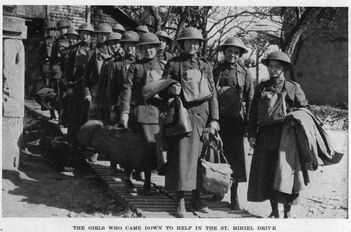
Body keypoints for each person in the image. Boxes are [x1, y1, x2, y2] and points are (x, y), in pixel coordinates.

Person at [160, 27, 219, 217]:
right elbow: (161, 89)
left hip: (202, 117)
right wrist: (170, 90)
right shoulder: (173, 64)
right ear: (182, 44)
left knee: (200, 158)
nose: (193, 46)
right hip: (182, 117)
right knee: (180, 159)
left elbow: (213, 95)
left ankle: (196, 198)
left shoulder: (206, 66)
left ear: (200, 45)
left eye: (196, 43)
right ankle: (180, 200)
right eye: (189, 42)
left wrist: (215, 119)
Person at [247, 51, 309, 218]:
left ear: (284, 69)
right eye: (271, 66)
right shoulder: (261, 87)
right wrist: (252, 134)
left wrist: (294, 117)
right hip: (265, 136)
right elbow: (252, 113)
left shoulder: (293, 87)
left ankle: (287, 212)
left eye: (277, 67)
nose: (273, 70)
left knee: (285, 173)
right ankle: (274, 211)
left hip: (286, 136)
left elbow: (305, 109)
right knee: (267, 172)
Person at [212, 37, 254, 209]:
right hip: (218, 121)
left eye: (236, 52)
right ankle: (217, 190)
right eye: (230, 51)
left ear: (240, 55)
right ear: (224, 52)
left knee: (235, 160)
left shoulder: (245, 73)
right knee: (216, 156)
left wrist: (248, 125)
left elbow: (250, 99)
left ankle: (234, 196)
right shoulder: (216, 70)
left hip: (236, 122)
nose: (233, 55)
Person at [119, 32, 164, 193]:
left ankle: (147, 183)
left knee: (151, 149)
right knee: (132, 147)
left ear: (157, 49)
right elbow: (127, 89)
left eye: (151, 47)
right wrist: (125, 112)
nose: (148, 51)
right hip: (137, 113)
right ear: (140, 49)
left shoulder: (162, 67)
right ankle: (128, 178)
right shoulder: (135, 67)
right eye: (145, 48)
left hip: (155, 114)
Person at [65, 23, 95, 145]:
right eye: (83, 34)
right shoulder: (74, 50)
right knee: (75, 114)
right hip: (78, 85)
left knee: (88, 114)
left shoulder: (95, 48)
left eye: (87, 34)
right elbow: (68, 70)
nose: (85, 36)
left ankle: (86, 143)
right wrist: (70, 85)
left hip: (90, 86)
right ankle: (73, 141)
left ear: (91, 36)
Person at [108, 31, 140, 126]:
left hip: (138, 104)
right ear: (123, 45)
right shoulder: (116, 64)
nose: (129, 47)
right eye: (127, 44)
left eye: (132, 44)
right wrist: (112, 109)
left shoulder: (141, 63)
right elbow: (112, 88)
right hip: (121, 103)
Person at [83, 23, 113, 122]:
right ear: (97, 35)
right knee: (94, 118)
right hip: (95, 90)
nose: (103, 37)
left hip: (109, 90)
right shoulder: (91, 53)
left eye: (105, 34)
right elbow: (86, 75)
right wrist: (87, 92)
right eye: (100, 34)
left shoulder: (113, 52)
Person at [59, 28, 80, 127]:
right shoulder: (65, 51)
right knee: (63, 101)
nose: (72, 40)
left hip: (77, 80)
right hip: (66, 79)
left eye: (74, 38)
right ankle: (63, 121)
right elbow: (63, 67)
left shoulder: (79, 49)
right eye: (70, 38)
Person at [38, 21, 56, 88]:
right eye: (48, 30)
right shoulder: (42, 42)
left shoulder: (57, 41)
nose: (50, 32)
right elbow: (40, 57)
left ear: (54, 31)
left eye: (51, 30)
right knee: (46, 85)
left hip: (55, 65)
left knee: (54, 85)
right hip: (46, 65)